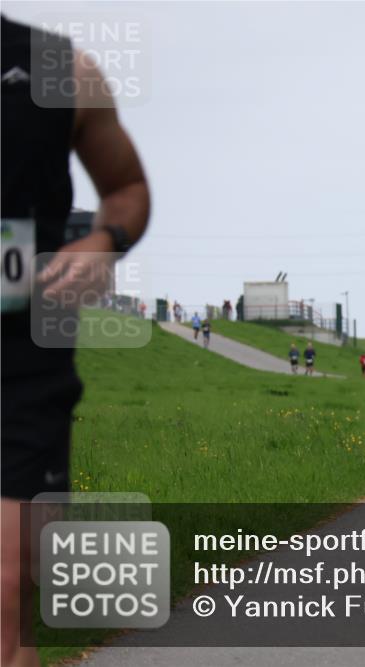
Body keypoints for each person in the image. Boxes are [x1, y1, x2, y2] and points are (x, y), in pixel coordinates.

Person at [2, 15, 151, 666]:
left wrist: (103, 241)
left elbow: (126, 189)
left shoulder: (60, 69)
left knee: (7, 594)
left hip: (21, 372)